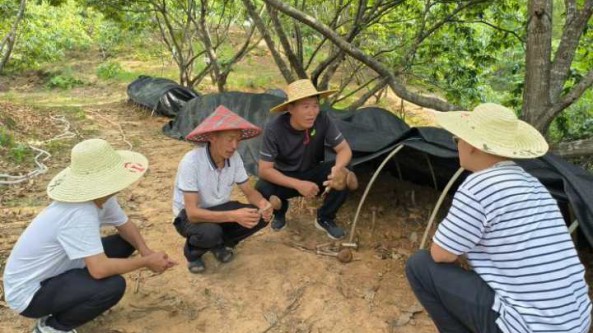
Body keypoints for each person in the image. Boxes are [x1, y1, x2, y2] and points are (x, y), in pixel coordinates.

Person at [405, 103, 591, 333]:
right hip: (575, 323)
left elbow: (440, 254)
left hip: (530, 327)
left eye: (457, 139)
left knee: (420, 265)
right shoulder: (533, 184)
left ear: (473, 146)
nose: (458, 145)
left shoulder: (479, 186)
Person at [2, 138, 176, 333]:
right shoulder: (79, 212)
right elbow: (99, 270)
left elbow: (124, 224)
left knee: (124, 243)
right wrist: (145, 263)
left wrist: (146, 252)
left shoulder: (101, 197)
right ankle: (53, 327)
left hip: (55, 271)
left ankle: (71, 295)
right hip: (30, 295)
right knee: (113, 286)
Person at [172, 105, 274, 274]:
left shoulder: (234, 158)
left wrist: (263, 204)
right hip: (188, 217)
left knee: (258, 216)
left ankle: (219, 244)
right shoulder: (192, 162)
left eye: (238, 140)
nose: (235, 145)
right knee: (210, 232)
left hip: (219, 208)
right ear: (212, 137)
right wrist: (233, 215)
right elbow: (192, 213)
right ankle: (193, 253)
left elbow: (249, 192)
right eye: (229, 139)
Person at [256, 79, 356, 240]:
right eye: (305, 106)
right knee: (262, 187)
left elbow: (344, 150)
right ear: (291, 109)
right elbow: (264, 169)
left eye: (315, 105)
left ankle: (325, 217)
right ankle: (280, 211)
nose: (312, 112)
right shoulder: (274, 128)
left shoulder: (322, 119)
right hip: (286, 177)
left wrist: (337, 170)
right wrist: (298, 184)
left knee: (345, 169)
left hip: (313, 172)